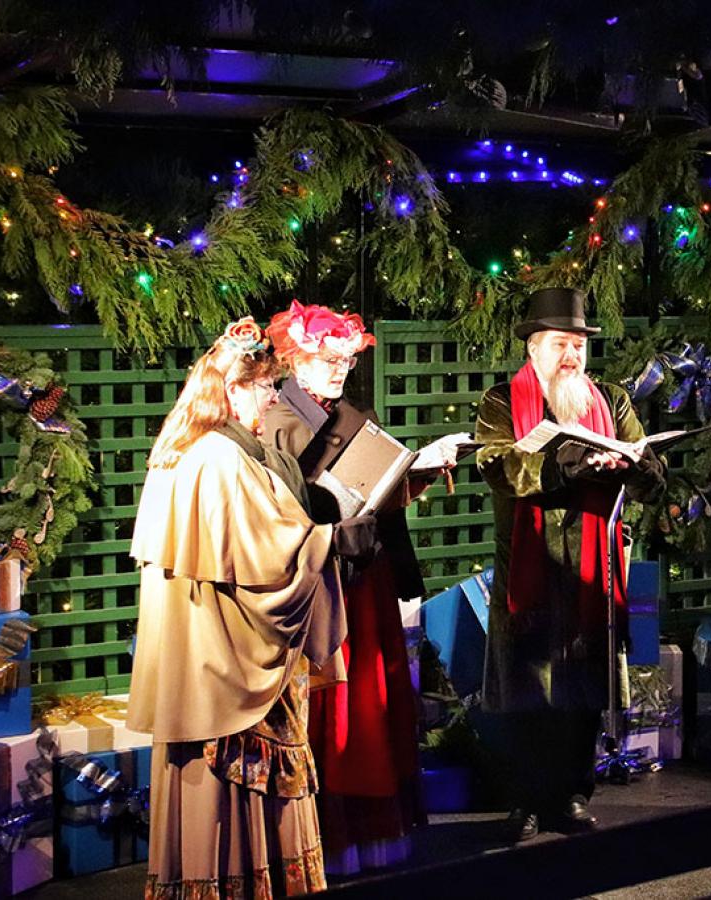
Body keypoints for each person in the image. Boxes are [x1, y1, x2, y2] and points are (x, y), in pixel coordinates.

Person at [128, 316, 354, 898]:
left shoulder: (178, 450)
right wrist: (339, 536)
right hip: (230, 666)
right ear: (231, 390)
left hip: (198, 660)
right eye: (263, 388)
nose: (272, 398)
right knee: (245, 788)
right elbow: (276, 557)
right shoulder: (222, 460)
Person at [262, 300, 464, 874]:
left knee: (372, 699)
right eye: (326, 359)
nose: (337, 370)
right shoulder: (280, 421)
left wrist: (415, 472)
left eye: (346, 361)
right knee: (337, 706)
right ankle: (328, 837)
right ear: (294, 359)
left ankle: (374, 834)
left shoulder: (349, 410)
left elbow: (378, 492)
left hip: (365, 574)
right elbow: (289, 511)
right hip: (325, 580)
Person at [474, 287, 666, 841]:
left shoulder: (611, 400)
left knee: (583, 687)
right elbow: (499, 465)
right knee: (527, 689)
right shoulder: (501, 402)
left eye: (578, 345)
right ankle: (525, 800)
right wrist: (568, 466)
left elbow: (644, 460)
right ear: (533, 349)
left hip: (591, 566)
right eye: (560, 344)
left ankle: (573, 795)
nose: (571, 357)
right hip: (530, 567)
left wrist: (633, 465)